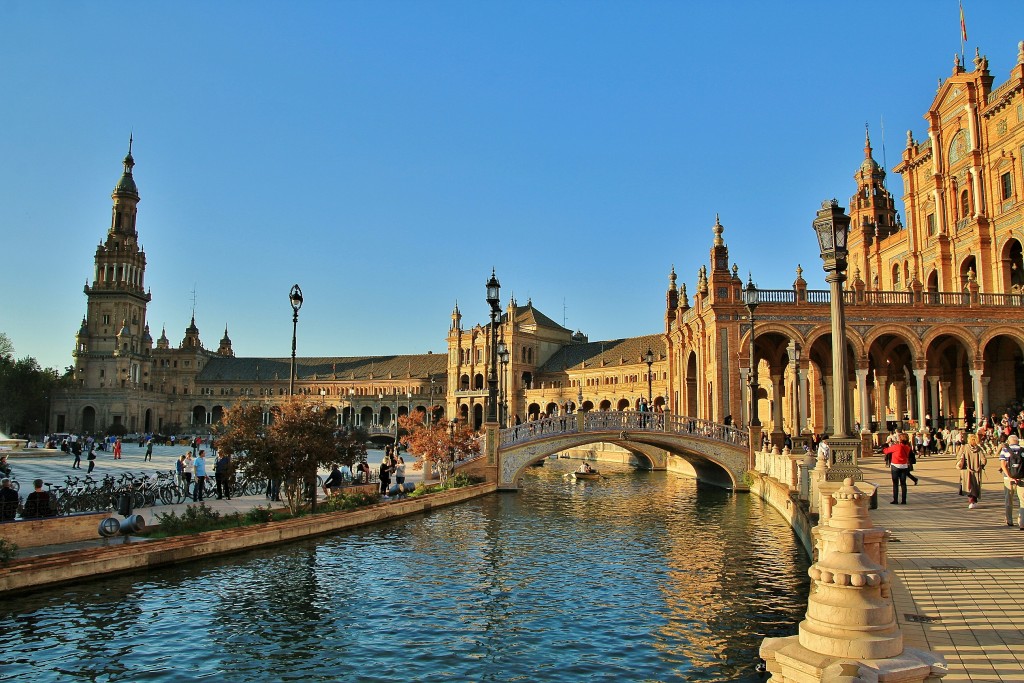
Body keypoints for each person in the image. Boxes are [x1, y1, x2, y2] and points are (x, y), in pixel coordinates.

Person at [998, 434, 1024, 528]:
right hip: (1021, 478)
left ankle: (1009, 520)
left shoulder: (1005, 450)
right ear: (1018, 441)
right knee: (1022, 500)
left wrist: (1009, 477)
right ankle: (1022, 522)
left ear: (1009, 442)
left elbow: (1003, 465)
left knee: (1009, 499)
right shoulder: (1022, 450)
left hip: (1008, 479)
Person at [957, 433, 987, 509]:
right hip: (976, 470)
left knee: (968, 485)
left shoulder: (964, 447)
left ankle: (972, 501)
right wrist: (981, 466)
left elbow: (958, 457)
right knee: (975, 485)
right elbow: (984, 460)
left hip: (966, 470)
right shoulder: (979, 449)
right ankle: (974, 501)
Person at [883, 432, 913, 505]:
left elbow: (885, 451)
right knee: (903, 483)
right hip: (904, 466)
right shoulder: (908, 447)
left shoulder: (896, 446)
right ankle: (904, 500)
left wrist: (886, 443)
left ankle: (895, 500)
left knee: (895, 483)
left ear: (900, 439)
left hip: (895, 466)